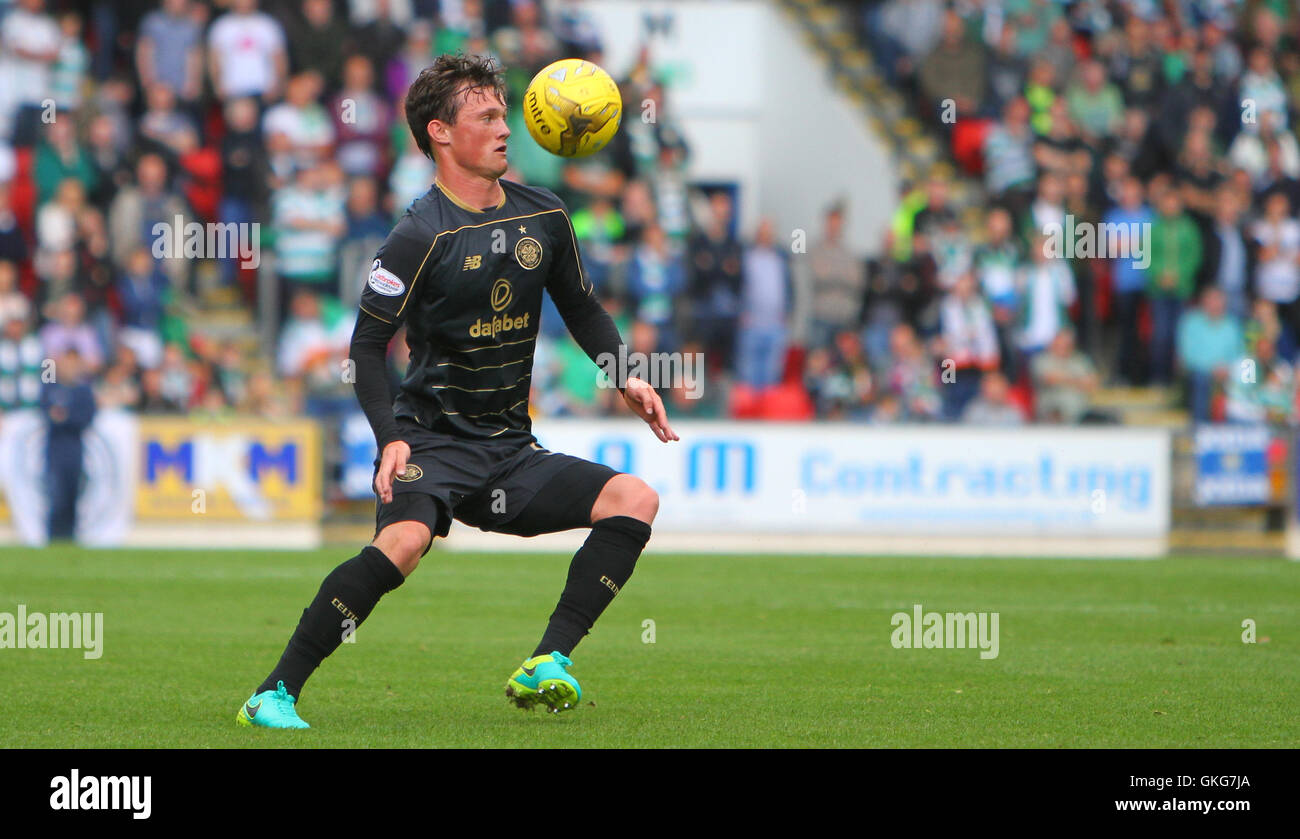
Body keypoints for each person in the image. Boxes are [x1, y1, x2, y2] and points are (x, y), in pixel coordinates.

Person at [237, 54, 678, 730]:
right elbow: (364, 347)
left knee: (635, 499)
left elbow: (582, 308)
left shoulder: (547, 216)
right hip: (431, 442)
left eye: (505, 114)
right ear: (441, 133)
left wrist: (625, 371)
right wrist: (391, 440)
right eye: (488, 116)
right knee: (405, 544)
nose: (506, 128)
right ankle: (273, 692)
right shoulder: (417, 236)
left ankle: (548, 660)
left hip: (511, 450)